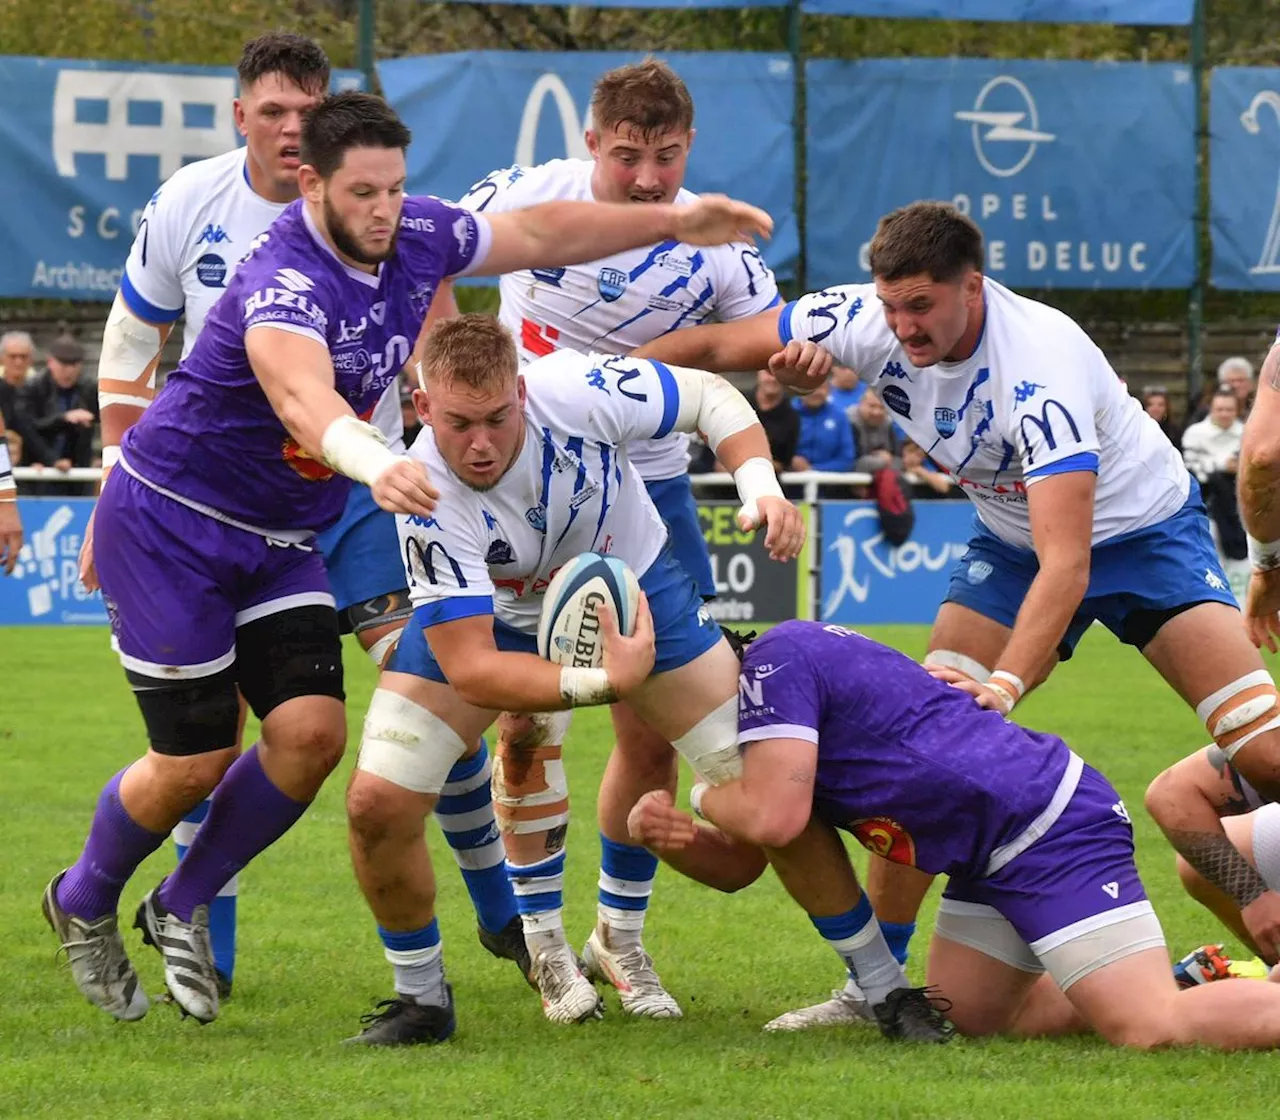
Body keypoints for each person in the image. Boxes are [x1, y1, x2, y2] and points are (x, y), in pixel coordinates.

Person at [42, 90, 772, 1028]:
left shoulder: (418, 232)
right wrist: (379, 463)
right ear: (311, 184)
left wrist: (673, 220)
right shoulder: (282, 284)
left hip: (283, 534)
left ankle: (178, 903)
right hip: (175, 519)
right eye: (362, 193)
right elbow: (306, 401)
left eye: (394, 188)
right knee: (195, 759)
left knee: (311, 738)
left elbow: (542, 231)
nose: (383, 210)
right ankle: (84, 896)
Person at [632, 200, 1280, 1024]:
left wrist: (1005, 687)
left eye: (922, 306)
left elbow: (1070, 564)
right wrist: (595, 382)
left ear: (972, 287)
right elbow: (723, 344)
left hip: (1143, 536)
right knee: (918, 754)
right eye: (890, 305)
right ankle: (879, 988)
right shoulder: (865, 319)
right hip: (1011, 545)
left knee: (1263, 753)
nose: (901, 326)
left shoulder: (1035, 365)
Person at [73, 34, 519, 998]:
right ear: (241, 116)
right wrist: (115, 477)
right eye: (271, 110)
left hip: (357, 491)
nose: (289, 127)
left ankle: (504, 918)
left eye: (306, 110)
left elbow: (439, 312)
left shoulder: (378, 205)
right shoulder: (191, 203)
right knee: (208, 745)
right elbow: (129, 339)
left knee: (426, 688)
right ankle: (198, 938)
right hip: (221, 489)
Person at [342, 314, 817, 1042]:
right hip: (493, 616)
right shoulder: (422, 489)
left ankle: (870, 979)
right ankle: (435, 995)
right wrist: (598, 682)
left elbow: (711, 398)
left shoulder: (577, 388)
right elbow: (472, 669)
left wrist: (762, 486)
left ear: (523, 395)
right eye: (459, 422)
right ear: (424, 405)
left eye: (498, 418)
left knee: (766, 794)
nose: (480, 443)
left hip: (634, 581)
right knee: (378, 801)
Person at [455, 57, 783, 1018]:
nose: (648, 179)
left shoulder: (716, 238)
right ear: (590, 143)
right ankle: (545, 944)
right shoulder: (522, 198)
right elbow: (426, 260)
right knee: (524, 727)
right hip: (521, 494)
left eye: (668, 158)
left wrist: (772, 359)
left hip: (648, 498)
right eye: (629, 157)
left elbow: (763, 338)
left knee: (651, 726)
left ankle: (621, 942)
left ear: (691, 148)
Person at [627, 620, 1280, 1050]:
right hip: (988, 852)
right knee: (983, 1017)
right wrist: (673, 837)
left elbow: (773, 820)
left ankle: (1161, 994)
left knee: (1146, 1026)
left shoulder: (775, 661)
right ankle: (1193, 981)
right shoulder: (756, 733)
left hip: (1047, 825)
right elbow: (745, 862)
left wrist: (706, 795)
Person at [21, 334, 98, 493]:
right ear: (50, 362)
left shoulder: (89, 389)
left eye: (74, 365)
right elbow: (28, 429)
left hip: (78, 470)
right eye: (63, 365)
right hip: (38, 468)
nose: (68, 371)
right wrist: (64, 419)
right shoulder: (33, 388)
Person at [1183, 388, 1245, 564]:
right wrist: (1222, 465)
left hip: (1239, 504)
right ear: (1211, 409)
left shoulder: (1246, 433)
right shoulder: (1195, 433)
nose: (1225, 414)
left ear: (1237, 410)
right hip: (1207, 503)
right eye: (1220, 409)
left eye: (1229, 409)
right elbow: (1190, 468)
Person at [791, 379, 855, 474]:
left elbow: (847, 459)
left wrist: (812, 469)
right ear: (799, 389)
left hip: (831, 483)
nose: (815, 392)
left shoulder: (840, 417)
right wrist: (790, 461)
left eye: (821, 387)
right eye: (809, 388)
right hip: (787, 481)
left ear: (829, 390)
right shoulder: (787, 412)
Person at [750, 367, 799, 474]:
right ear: (758, 373)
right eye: (768, 373)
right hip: (723, 484)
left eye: (779, 374)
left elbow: (784, 463)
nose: (772, 379)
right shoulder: (738, 402)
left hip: (767, 482)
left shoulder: (791, 417)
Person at [849, 387, 900, 475]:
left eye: (882, 407)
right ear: (860, 404)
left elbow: (900, 462)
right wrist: (884, 461)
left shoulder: (888, 423)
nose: (877, 412)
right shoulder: (849, 421)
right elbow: (853, 465)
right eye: (872, 406)